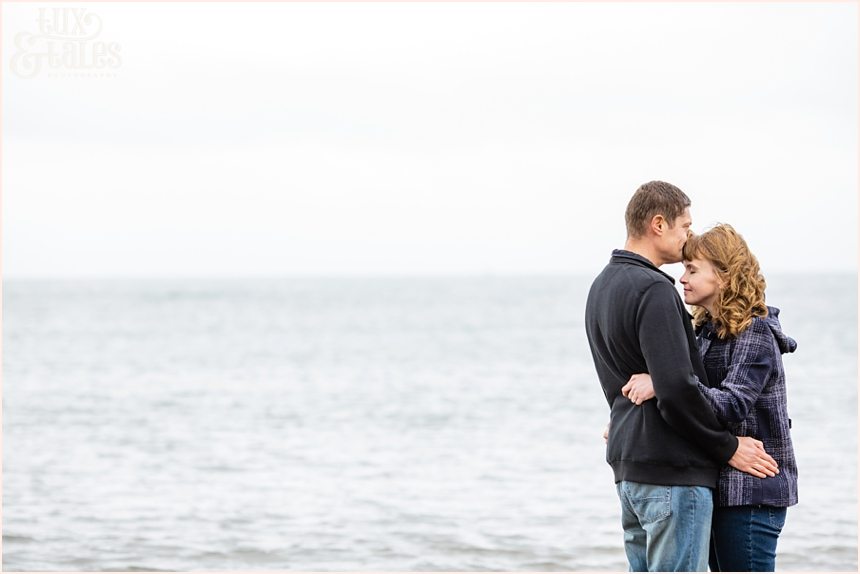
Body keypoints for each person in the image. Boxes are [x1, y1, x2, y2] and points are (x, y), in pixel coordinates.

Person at [584, 181, 779, 572]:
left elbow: (618, 385)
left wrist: (622, 417)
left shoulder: (601, 287)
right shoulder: (654, 289)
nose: (688, 236)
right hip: (672, 472)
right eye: (685, 226)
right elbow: (676, 388)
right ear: (659, 224)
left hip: (630, 470)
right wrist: (726, 447)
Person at [621, 223, 798, 572]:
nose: (682, 278)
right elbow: (686, 401)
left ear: (724, 276)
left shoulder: (755, 332)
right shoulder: (703, 332)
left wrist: (663, 382)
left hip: (753, 491)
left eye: (692, 269)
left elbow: (731, 406)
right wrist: (628, 419)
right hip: (719, 485)